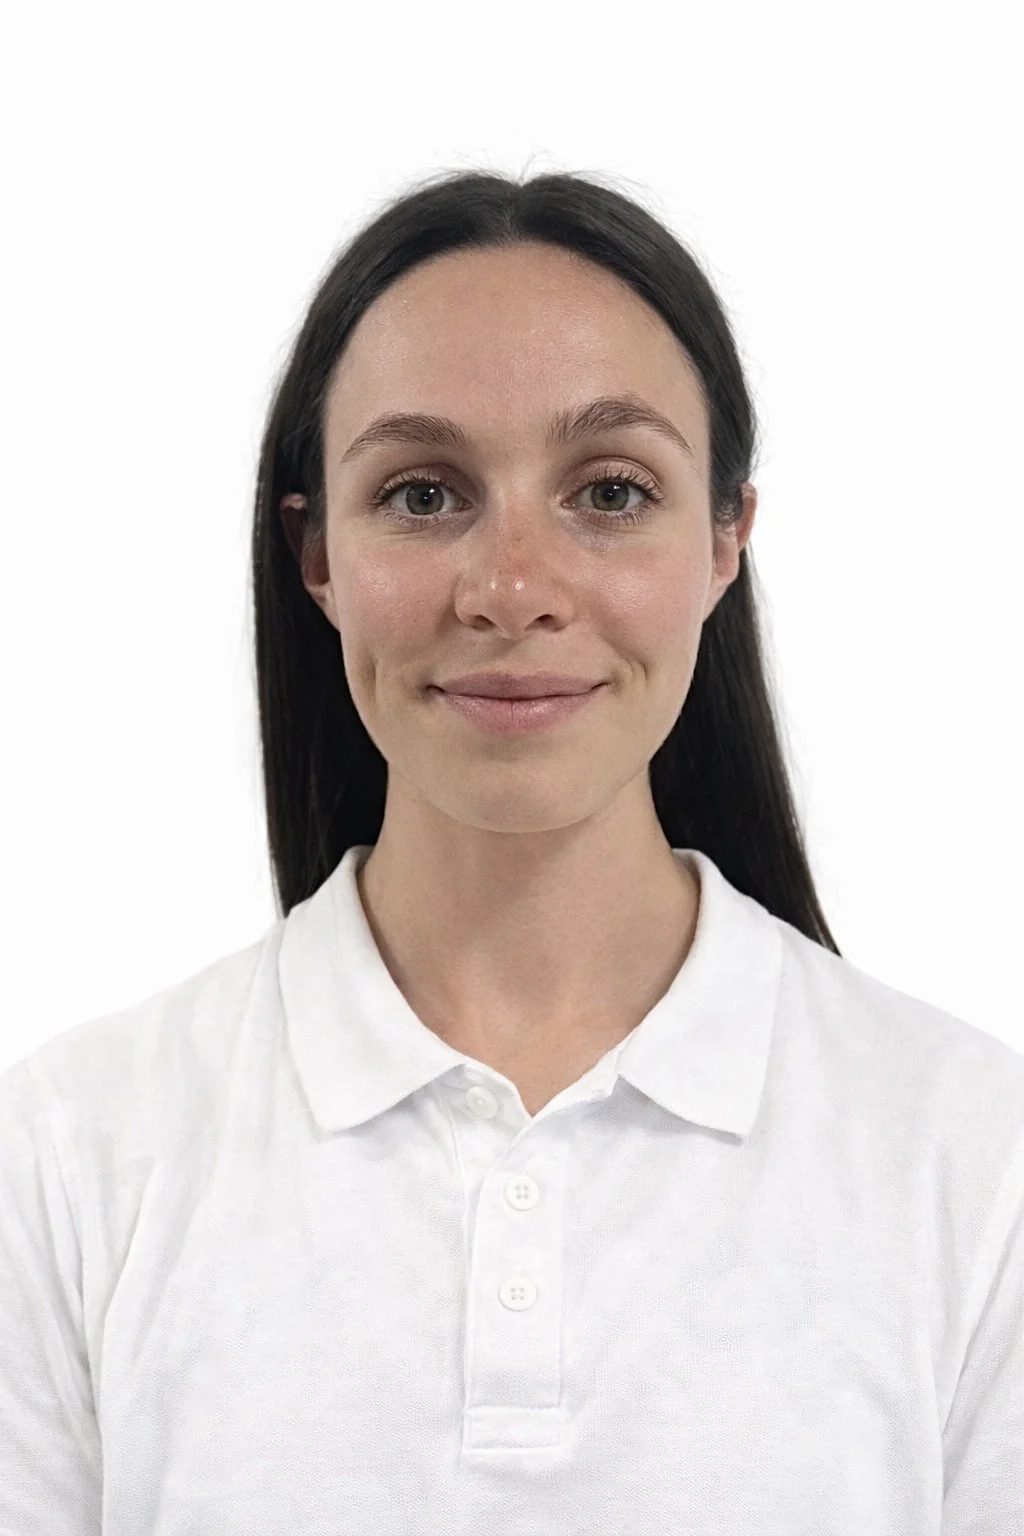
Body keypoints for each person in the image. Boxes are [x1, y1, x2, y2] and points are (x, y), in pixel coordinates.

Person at [2, 168, 1021, 1534]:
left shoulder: (971, 1159)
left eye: (610, 490)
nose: (514, 590)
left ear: (729, 539)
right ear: (315, 557)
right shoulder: (72, 1159)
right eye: (424, 496)